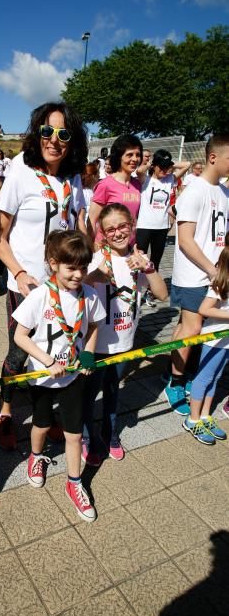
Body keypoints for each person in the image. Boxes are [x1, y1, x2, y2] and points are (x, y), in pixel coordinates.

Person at [0, 101, 88, 450]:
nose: (54, 140)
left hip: (60, 286)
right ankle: (4, 411)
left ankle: (45, 415)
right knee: (19, 353)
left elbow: (78, 226)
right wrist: (18, 273)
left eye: (63, 134)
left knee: (56, 349)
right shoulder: (20, 169)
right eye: (47, 131)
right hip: (27, 284)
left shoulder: (73, 176)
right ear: (37, 133)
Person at [13, 231, 105, 521]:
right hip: (42, 376)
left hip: (73, 376)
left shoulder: (89, 296)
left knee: (74, 433)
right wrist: (47, 361)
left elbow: (92, 327)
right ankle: (36, 457)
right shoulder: (41, 296)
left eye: (83, 268)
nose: (78, 274)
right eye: (71, 268)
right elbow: (19, 336)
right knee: (40, 424)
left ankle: (74, 482)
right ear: (53, 264)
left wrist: (88, 353)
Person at [83, 204, 167, 464]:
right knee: (88, 395)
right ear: (102, 233)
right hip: (95, 344)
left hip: (124, 341)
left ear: (132, 225)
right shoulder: (95, 259)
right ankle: (87, 436)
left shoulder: (138, 260)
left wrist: (149, 268)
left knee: (113, 391)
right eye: (111, 229)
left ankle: (110, 434)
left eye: (122, 226)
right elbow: (73, 291)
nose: (117, 233)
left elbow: (163, 295)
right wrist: (94, 276)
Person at [166, 134, 229, 415]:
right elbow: (185, 240)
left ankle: (185, 373)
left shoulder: (224, 193)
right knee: (191, 329)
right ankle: (175, 382)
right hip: (194, 274)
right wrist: (211, 269)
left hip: (215, 275)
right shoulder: (194, 190)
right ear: (213, 157)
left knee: (191, 328)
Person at [183, 238, 229, 445]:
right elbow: (204, 309)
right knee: (204, 377)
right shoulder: (221, 280)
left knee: (216, 377)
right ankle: (192, 419)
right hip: (214, 338)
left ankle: (204, 415)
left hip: (226, 340)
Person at [136, 149, 190, 307]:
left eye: (167, 168)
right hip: (144, 227)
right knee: (139, 260)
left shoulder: (170, 179)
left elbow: (187, 165)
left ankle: (150, 293)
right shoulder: (145, 179)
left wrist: (169, 164)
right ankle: (135, 291)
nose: (164, 171)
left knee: (155, 262)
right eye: (161, 167)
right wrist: (153, 163)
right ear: (154, 166)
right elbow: (139, 170)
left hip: (161, 228)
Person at [87, 134, 144, 246]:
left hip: (128, 247)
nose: (134, 159)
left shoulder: (137, 184)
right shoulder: (105, 185)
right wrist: (93, 250)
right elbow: (92, 221)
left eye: (138, 155)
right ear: (119, 157)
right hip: (106, 247)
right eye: (129, 155)